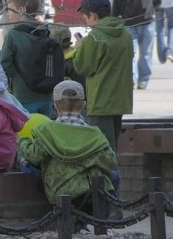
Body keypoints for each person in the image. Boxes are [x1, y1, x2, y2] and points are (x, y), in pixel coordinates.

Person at [17, 80, 117, 224]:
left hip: (62, 192)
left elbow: (35, 156)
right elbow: (110, 163)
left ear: (55, 106)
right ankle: (99, 224)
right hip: (96, 191)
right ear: (84, 105)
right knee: (113, 176)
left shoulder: (47, 131)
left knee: (26, 164)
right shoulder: (95, 134)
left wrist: (22, 141)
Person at [72, 0, 133, 157]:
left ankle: (109, 183)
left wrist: (79, 48)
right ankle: (115, 182)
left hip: (101, 101)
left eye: (85, 18)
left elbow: (82, 67)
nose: (86, 22)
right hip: (120, 100)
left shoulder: (95, 37)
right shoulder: (126, 35)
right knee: (113, 150)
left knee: (101, 153)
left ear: (92, 15)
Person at [111, 0, 163, 90]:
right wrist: (113, 20)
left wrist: (154, 9)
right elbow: (117, 2)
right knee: (131, 54)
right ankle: (132, 79)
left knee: (146, 54)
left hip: (147, 23)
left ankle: (143, 80)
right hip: (130, 24)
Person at [0, 0, 55, 116]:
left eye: (9, 9)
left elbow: (4, 67)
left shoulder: (13, 35)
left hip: (24, 98)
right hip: (47, 97)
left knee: (26, 134)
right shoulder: (46, 31)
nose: (8, 14)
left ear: (21, 10)